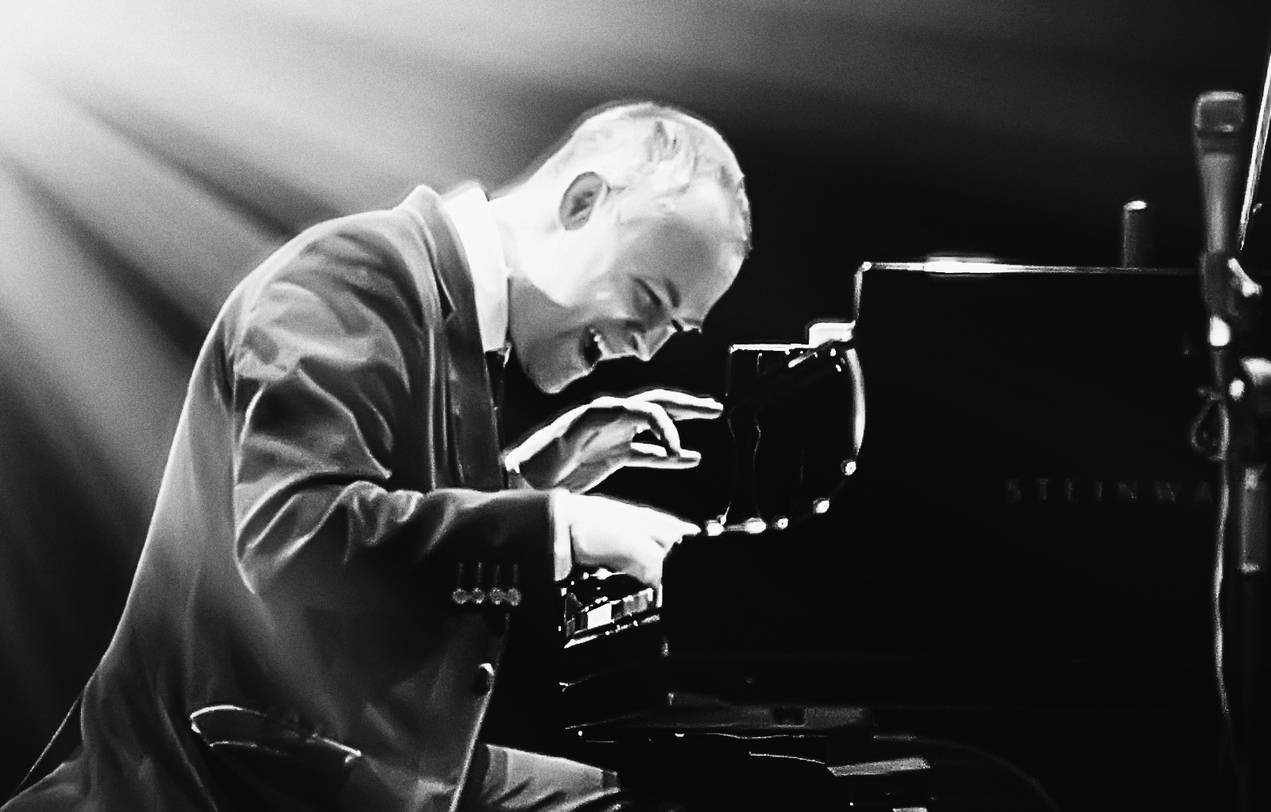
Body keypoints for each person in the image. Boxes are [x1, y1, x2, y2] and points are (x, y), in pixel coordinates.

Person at [5, 100, 751, 811]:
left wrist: (533, 477)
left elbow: (392, 511)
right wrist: (562, 524)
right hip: (221, 784)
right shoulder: (350, 272)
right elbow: (295, 534)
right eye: (648, 299)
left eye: (674, 329)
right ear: (582, 202)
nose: (646, 349)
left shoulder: (448, 312)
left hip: (341, 770)